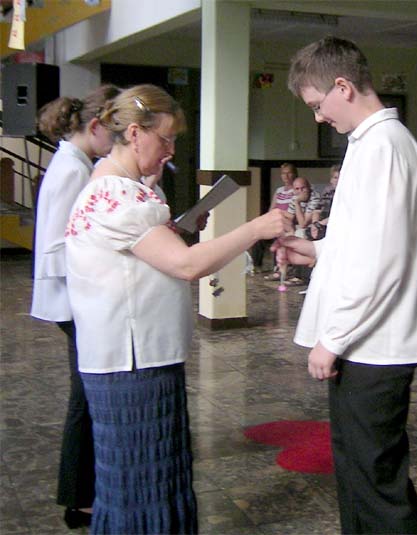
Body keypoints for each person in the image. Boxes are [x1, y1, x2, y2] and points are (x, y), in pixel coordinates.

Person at [64, 84, 292, 533]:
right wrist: (255, 228)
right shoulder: (117, 196)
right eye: (165, 139)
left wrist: (177, 230)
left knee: (145, 482)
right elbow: (186, 266)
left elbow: (145, 262)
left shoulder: (121, 189)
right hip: (133, 363)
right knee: (140, 486)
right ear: (134, 133)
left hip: (135, 357)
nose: (170, 152)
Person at [277, 36, 417, 534]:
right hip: (364, 342)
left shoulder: (384, 147)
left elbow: (381, 263)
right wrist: (317, 251)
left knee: (377, 482)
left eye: (317, 105)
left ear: (342, 86)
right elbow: (364, 241)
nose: (318, 117)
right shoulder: (368, 145)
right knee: (355, 471)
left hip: (374, 344)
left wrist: (334, 337)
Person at [30, 84, 120, 529]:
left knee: (85, 396)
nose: (118, 144)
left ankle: (83, 492)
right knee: (84, 399)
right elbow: (56, 246)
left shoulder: (77, 163)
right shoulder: (71, 168)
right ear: (96, 126)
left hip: (79, 297)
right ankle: (79, 499)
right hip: (72, 300)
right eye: (114, 133)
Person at [310, 164, 340, 240]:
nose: (338, 181)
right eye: (335, 178)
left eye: (340, 178)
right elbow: (317, 210)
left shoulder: (348, 194)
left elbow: (341, 215)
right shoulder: (328, 191)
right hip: (322, 224)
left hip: (337, 224)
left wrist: (321, 223)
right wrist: (315, 224)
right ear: (331, 180)